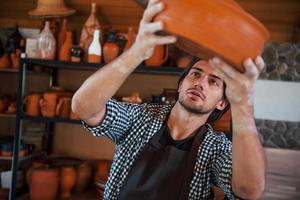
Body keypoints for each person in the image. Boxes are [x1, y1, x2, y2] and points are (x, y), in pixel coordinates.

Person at [72, 0, 266, 199]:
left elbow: (248, 191)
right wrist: (137, 52)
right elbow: (83, 107)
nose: (200, 83)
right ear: (181, 84)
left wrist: (242, 103)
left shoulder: (216, 147)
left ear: (222, 103)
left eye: (214, 81)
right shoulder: (139, 118)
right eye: (195, 74)